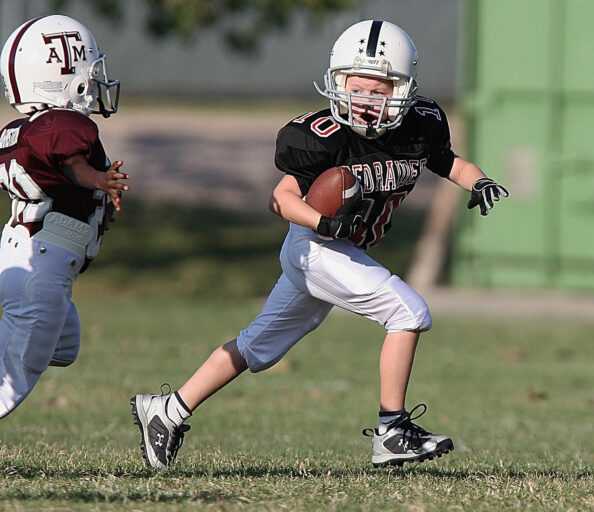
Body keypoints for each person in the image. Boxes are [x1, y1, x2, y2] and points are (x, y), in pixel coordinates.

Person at [130, 19, 507, 469]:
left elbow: (447, 161)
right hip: (315, 246)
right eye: (356, 86)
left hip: (334, 251)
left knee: (257, 348)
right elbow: (281, 198)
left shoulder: (420, 125)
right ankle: (391, 430)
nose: (365, 100)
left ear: (404, 90)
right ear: (337, 82)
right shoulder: (320, 137)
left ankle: (166, 411)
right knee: (408, 312)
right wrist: (323, 221)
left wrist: (477, 181)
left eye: (379, 89)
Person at [0, 14, 128, 419]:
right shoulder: (62, 124)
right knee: (16, 370)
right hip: (43, 261)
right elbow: (71, 164)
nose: (96, 81)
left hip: (28, 253)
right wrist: (100, 179)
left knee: (63, 343)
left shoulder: (28, 128)